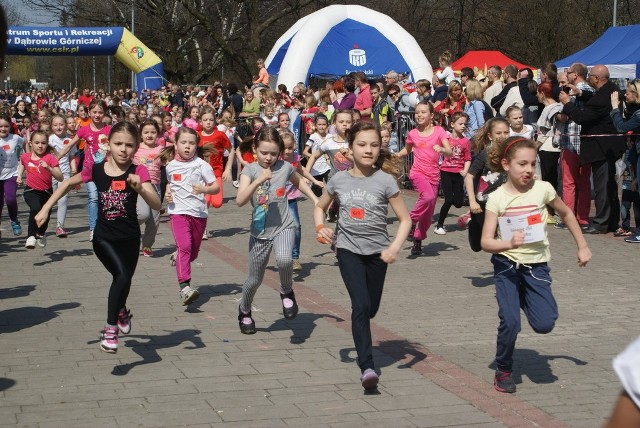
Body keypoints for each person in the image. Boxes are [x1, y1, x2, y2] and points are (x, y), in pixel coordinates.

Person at [35, 121, 161, 353]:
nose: (124, 149)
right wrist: (45, 209)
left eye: (129, 145)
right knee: (121, 275)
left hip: (130, 238)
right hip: (103, 238)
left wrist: (142, 189)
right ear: (108, 144)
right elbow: (65, 184)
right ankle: (110, 329)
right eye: (118, 144)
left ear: (136, 148)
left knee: (123, 280)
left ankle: (121, 310)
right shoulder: (96, 170)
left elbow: (157, 204)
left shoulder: (138, 171)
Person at [480, 136, 591, 393]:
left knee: (545, 324)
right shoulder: (496, 198)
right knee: (511, 322)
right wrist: (507, 243)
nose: (528, 170)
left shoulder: (543, 189)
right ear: (507, 165)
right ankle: (504, 369)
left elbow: (565, 213)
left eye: (532, 164)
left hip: (536, 266)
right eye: (522, 164)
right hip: (507, 264)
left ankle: (525, 296)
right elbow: (486, 241)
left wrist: (582, 245)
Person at [314, 121, 411, 390]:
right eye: (362, 144)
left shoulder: (386, 181)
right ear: (350, 148)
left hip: (378, 252)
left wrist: (393, 248)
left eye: (374, 145)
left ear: (380, 149)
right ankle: (367, 366)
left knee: (370, 308)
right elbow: (320, 207)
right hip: (347, 250)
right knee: (359, 306)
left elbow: (405, 220)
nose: (368, 150)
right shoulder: (338, 180)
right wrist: (320, 227)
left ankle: (364, 343)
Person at [235, 127, 318, 334]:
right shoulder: (250, 170)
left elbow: (300, 183)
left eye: (274, 153)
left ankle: (286, 291)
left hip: (284, 226)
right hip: (260, 232)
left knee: (284, 260)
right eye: (264, 153)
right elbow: (240, 200)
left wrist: (316, 200)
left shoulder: (285, 167)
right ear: (255, 149)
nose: (269, 158)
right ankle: (244, 310)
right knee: (255, 279)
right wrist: (258, 180)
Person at [559, 64, 626, 234]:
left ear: (596, 78)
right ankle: (611, 221)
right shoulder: (610, 89)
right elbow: (594, 95)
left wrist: (568, 103)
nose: (588, 78)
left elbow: (581, 117)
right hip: (608, 147)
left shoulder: (601, 99)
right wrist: (580, 93)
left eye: (591, 76)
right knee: (609, 186)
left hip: (601, 147)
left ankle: (601, 222)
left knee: (602, 186)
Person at [161, 127, 219, 305]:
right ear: (176, 145)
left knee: (192, 253)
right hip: (178, 212)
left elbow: (215, 187)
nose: (187, 147)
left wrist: (205, 189)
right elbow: (169, 185)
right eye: (183, 143)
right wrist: (167, 193)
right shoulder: (170, 166)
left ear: (197, 145)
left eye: (192, 143)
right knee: (185, 247)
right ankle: (185, 287)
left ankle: (178, 255)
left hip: (199, 213)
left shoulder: (202, 165)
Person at [396, 102, 451, 255]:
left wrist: (442, 149)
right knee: (427, 196)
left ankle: (418, 239)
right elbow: (406, 151)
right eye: (417, 112)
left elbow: (449, 152)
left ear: (431, 115)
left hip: (433, 176)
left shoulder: (439, 131)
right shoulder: (413, 133)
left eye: (423, 112)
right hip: (417, 173)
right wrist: (395, 155)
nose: (419, 115)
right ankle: (411, 221)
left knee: (427, 214)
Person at [56, 99, 111, 241]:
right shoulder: (84, 130)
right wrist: (57, 157)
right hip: (89, 171)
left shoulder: (109, 130)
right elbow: (69, 145)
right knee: (93, 197)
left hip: (106, 171)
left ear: (105, 113)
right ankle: (93, 229)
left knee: (105, 199)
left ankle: (105, 226)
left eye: (100, 112)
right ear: (89, 112)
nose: (97, 115)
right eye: (94, 112)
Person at [464, 118, 511, 252]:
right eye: (498, 133)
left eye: (506, 132)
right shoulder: (486, 154)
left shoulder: (513, 153)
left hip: (504, 202)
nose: (503, 136)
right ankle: (473, 225)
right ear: (490, 136)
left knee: (502, 238)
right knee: (478, 246)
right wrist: (472, 201)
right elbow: (469, 176)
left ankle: (503, 264)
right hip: (484, 202)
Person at [280, 131, 323, 271]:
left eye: (290, 147)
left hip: (291, 197)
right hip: (275, 200)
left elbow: (301, 170)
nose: (287, 151)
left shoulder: (293, 157)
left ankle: (295, 258)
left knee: (296, 226)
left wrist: (314, 180)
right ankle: (280, 254)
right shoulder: (275, 158)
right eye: (284, 147)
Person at [16, 130, 63, 248]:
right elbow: (22, 163)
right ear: (31, 143)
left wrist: (49, 169)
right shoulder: (26, 157)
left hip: (47, 192)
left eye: (43, 143)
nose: (40, 146)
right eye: (37, 143)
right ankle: (31, 237)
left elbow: (60, 177)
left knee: (45, 217)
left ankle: (41, 233)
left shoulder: (50, 158)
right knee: (35, 208)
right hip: (30, 190)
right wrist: (19, 176)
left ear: (47, 144)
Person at [305, 110, 353, 222]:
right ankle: (333, 210)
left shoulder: (355, 141)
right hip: (334, 179)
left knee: (347, 203)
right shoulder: (328, 142)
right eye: (341, 121)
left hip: (352, 178)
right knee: (338, 200)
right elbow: (313, 156)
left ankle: (336, 212)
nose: (345, 124)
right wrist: (306, 174)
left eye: (348, 122)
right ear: (334, 124)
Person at [610, 81, 640, 242]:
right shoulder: (634, 111)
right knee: (630, 190)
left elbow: (622, 127)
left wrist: (615, 107)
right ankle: (627, 225)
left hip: (637, 156)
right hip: (633, 155)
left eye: (628, 92)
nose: (625, 94)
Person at [434, 112, 471, 235]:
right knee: (448, 199)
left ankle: (465, 217)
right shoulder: (446, 139)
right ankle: (439, 225)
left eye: (465, 124)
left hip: (458, 173)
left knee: (459, 203)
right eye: (460, 123)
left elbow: (467, 158)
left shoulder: (465, 141)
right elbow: (437, 150)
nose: (463, 126)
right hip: (446, 171)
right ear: (452, 124)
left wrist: (465, 170)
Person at [134, 120, 164, 256]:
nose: (149, 135)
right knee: (142, 214)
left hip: (155, 186)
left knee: (154, 221)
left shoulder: (160, 149)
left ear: (158, 134)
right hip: (140, 187)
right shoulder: (135, 148)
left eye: (153, 132)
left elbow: (168, 164)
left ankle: (146, 245)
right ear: (141, 134)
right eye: (146, 132)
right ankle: (129, 231)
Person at [47, 114, 77, 237]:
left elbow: (71, 156)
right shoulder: (50, 139)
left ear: (66, 125)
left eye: (61, 124)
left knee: (63, 200)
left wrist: (73, 167)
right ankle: (42, 225)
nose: (58, 127)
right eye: (55, 125)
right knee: (49, 200)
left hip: (65, 174)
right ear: (51, 127)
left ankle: (60, 226)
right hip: (50, 173)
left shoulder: (70, 140)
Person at [0, 114, 24, 239]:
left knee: (10, 199)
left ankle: (14, 220)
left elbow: (27, 144)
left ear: (10, 126)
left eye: (6, 126)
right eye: (0, 126)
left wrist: (26, 159)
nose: (3, 129)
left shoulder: (15, 138)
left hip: (12, 174)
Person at [303, 114, 332, 197]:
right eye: (319, 125)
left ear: (327, 125)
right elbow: (305, 152)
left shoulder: (330, 137)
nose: (321, 127)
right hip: (316, 169)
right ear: (315, 125)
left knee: (331, 190)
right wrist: (314, 156)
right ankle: (318, 206)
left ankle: (330, 207)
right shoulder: (313, 137)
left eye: (324, 124)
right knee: (317, 193)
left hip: (328, 167)